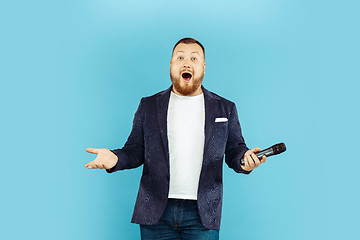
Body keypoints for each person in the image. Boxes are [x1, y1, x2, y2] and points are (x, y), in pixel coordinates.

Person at [85, 37, 266, 240]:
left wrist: (245, 161)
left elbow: (235, 150)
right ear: (171, 65)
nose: (186, 62)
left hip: (203, 212)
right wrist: (115, 159)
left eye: (194, 58)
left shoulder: (225, 108)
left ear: (204, 67)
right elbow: (135, 151)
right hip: (156, 211)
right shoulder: (148, 105)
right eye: (180, 57)